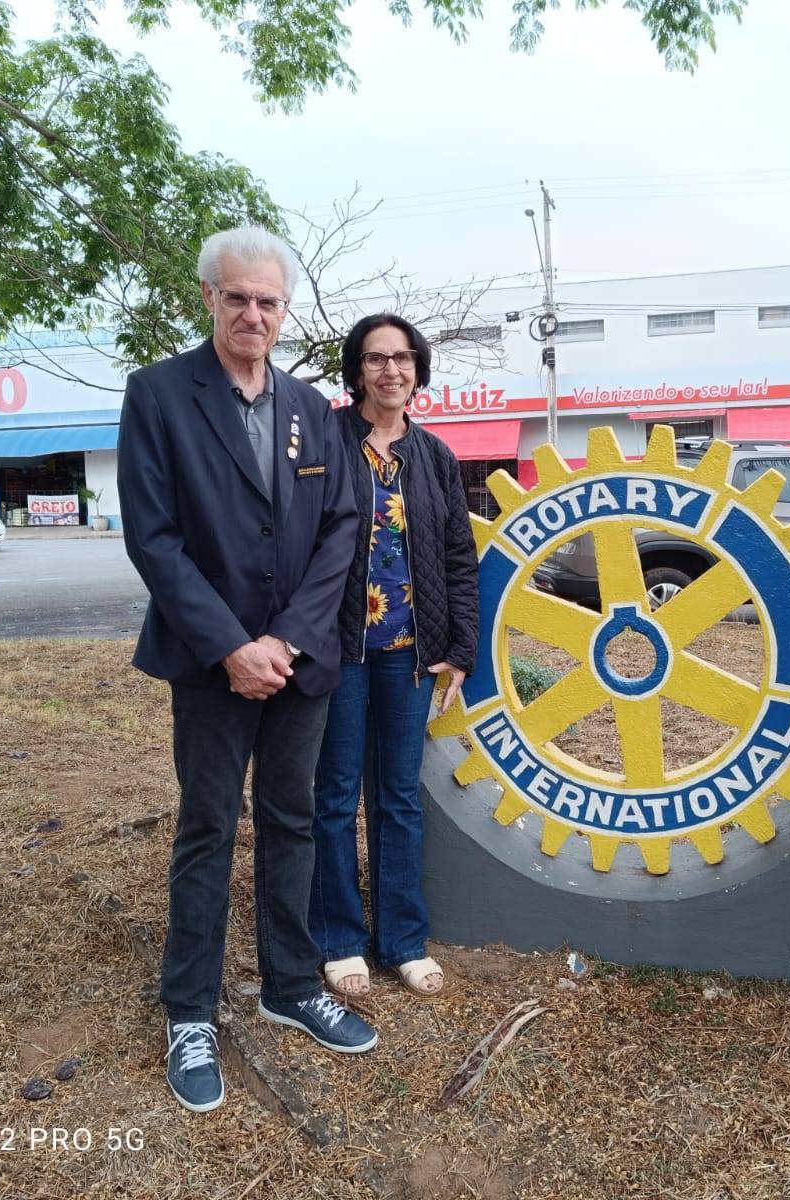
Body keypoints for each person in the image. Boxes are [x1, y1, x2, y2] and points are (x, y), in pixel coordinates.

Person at [117, 224, 379, 1115]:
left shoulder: (311, 407)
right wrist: (233, 646)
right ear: (209, 299)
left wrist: (291, 641)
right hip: (211, 663)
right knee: (206, 830)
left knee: (294, 822)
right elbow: (153, 538)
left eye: (268, 302)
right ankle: (189, 1009)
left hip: (299, 664)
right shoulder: (158, 395)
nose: (253, 314)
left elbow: (343, 524)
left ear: (286, 311)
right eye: (238, 298)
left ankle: (290, 981)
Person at [309, 314, 479, 1000]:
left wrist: (460, 646)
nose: (390, 370)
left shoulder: (434, 456)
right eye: (376, 359)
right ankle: (340, 940)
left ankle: (403, 942)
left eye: (402, 359)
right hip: (338, 650)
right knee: (334, 796)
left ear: (418, 370)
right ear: (357, 372)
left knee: (400, 799)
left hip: (411, 653)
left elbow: (458, 558)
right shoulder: (324, 444)